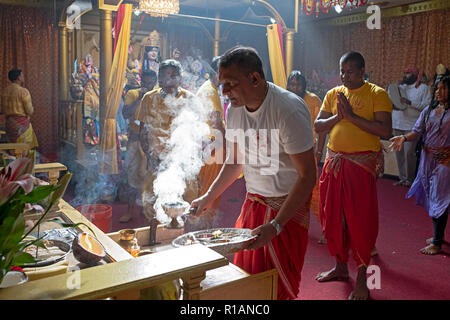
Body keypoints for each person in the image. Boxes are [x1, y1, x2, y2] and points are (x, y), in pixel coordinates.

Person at [189, 46, 316, 300]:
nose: (223, 92)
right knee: (247, 281)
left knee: (277, 288)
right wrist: (208, 197)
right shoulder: (234, 110)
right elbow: (235, 161)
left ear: (254, 78)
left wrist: (276, 225)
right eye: (221, 84)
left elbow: (307, 176)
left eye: (230, 84)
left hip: (286, 210)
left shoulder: (287, 109)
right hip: (253, 205)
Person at [314, 51, 392, 300]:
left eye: (350, 71)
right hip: (334, 164)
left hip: (360, 167)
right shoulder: (333, 95)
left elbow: (385, 130)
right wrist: (339, 116)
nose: (344, 76)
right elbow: (318, 126)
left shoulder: (377, 94)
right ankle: (339, 266)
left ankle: (362, 279)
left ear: (362, 71)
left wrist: (352, 117)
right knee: (333, 218)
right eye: (342, 71)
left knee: (359, 221)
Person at [389, 76, 449, 255]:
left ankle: (437, 243)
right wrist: (403, 137)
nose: (438, 91)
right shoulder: (429, 111)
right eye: (437, 88)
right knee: (432, 195)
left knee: (440, 197)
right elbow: (417, 131)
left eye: (443, 88)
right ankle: (437, 235)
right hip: (427, 158)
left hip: (445, 162)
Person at [136, 59, 198, 222]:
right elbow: (142, 131)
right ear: (160, 79)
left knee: (189, 201)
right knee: (152, 202)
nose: (169, 80)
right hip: (157, 160)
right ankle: (155, 235)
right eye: (165, 75)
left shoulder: (190, 99)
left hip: (183, 162)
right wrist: (149, 157)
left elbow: (198, 133)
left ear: (180, 79)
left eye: (174, 75)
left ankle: (186, 237)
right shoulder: (149, 99)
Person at [186, 56, 226, 232]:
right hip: (211, 144)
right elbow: (216, 122)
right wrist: (228, 145)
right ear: (216, 72)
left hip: (208, 143)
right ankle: (204, 230)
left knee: (207, 186)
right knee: (211, 187)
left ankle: (203, 227)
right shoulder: (210, 91)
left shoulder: (211, 89)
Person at [287, 70, 326, 244]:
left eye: (298, 84)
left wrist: (318, 151)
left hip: (308, 150)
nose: (295, 87)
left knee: (314, 192)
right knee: (290, 189)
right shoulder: (285, 98)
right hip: (288, 151)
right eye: (292, 84)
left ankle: (328, 228)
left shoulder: (313, 100)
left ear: (304, 85)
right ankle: (294, 223)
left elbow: (321, 127)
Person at [119, 69, 158, 223]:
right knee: (132, 179)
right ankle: (129, 211)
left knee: (151, 178)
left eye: (150, 83)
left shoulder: (158, 95)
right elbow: (126, 113)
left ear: (155, 82)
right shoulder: (133, 94)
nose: (147, 86)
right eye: (145, 83)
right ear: (140, 82)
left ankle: (148, 209)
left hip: (153, 143)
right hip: (135, 141)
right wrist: (141, 98)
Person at [391, 66, 432, 187]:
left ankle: (410, 179)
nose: (405, 76)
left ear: (415, 75)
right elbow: (394, 101)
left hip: (412, 126)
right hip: (397, 123)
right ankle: (402, 178)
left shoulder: (423, 88)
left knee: (409, 153)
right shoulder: (400, 88)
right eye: (404, 73)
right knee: (399, 153)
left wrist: (410, 103)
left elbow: (426, 105)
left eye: (408, 73)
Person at [0, 69, 38, 149]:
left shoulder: (4, 92)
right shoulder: (23, 91)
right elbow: (29, 111)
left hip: (10, 125)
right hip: (22, 126)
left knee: (13, 151)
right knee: (24, 151)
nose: (23, 77)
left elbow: (3, 110)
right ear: (18, 78)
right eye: (22, 75)